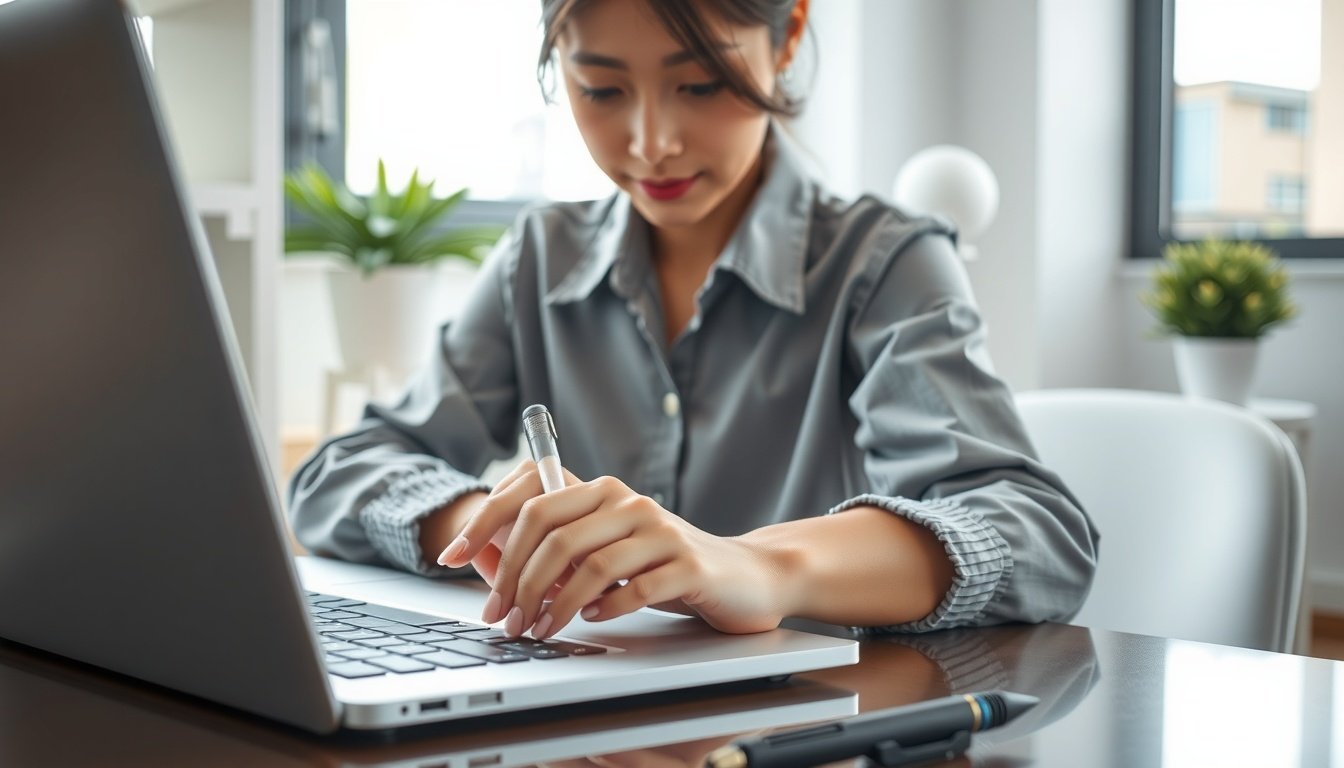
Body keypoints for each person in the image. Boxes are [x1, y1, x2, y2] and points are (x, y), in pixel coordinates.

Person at [288, 0, 1097, 643]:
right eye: (601, 90)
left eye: (702, 84)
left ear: (789, 34)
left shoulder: (883, 264)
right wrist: (497, 529)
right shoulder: (538, 257)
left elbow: (1037, 535)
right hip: (584, 722)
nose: (652, 144)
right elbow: (337, 474)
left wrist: (757, 567)